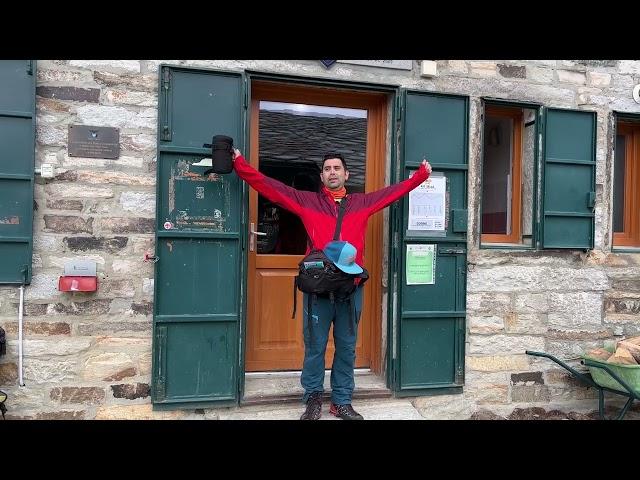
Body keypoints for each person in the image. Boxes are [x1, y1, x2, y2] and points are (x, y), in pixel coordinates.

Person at [233, 150, 431, 420]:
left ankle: (341, 401)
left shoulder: (362, 202)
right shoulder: (307, 201)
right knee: (315, 346)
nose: (332, 172)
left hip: (350, 288)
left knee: (347, 346)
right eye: (327, 169)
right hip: (319, 288)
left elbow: (392, 193)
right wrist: (239, 164)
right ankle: (313, 399)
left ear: (347, 174)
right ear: (322, 176)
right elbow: (269, 185)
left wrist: (420, 176)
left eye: (337, 168)